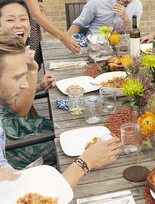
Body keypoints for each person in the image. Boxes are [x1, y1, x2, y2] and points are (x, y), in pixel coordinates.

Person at [0, 29, 122, 189]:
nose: (24, 84)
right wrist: (85, 162)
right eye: (17, 77)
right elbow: (36, 196)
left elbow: (10, 179)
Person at [0, 0, 57, 169]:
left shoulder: (15, 50)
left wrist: (39, 86)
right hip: (12, 138)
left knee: (70, 126)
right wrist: (32, 71)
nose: (19, 24)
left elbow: (10, 97)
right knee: (64, 139)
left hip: (23, 126)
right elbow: (20, 110)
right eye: (10, 20)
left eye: (23, 19)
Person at [1, 0, 81, 68]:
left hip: (25, 31)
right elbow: (35, 13)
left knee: (31, 72)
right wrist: (63, 37)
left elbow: (37, 8)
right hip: (17, 33)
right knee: (21, 74)